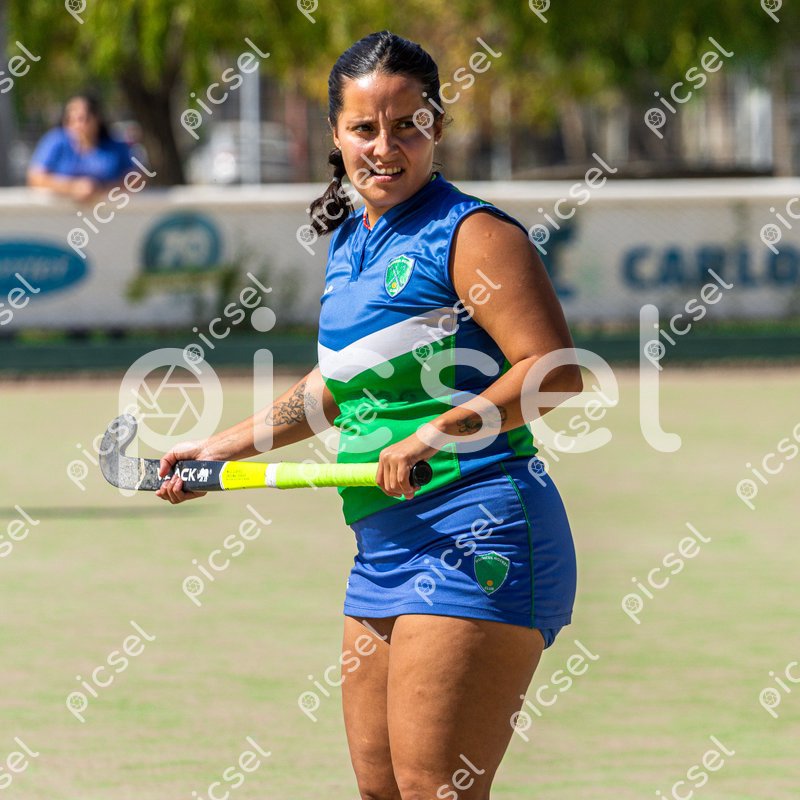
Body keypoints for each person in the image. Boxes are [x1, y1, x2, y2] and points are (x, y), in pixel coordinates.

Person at [156, 31, 581, 800]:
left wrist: (434, 433)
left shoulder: (474, 233)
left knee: (432, 790)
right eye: (364, 128)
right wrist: (219, 448)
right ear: (335, 133)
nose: (385, 147)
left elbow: (553, 372)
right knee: (382, 790)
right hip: (383, 543)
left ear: (437, 125)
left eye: (407, 125)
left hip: (476, 530)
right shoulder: (353, 239)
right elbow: (334, 387)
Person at [27, 93, 134, 202]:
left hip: (106, 209)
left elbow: (135, 177)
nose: (77, 125)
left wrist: (103, 189)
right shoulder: (56, 141)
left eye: (82, 119)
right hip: (61, 210)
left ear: (96, 118)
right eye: (70, 119)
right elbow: (36, 177)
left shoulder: (114, 146)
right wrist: (73, 187)